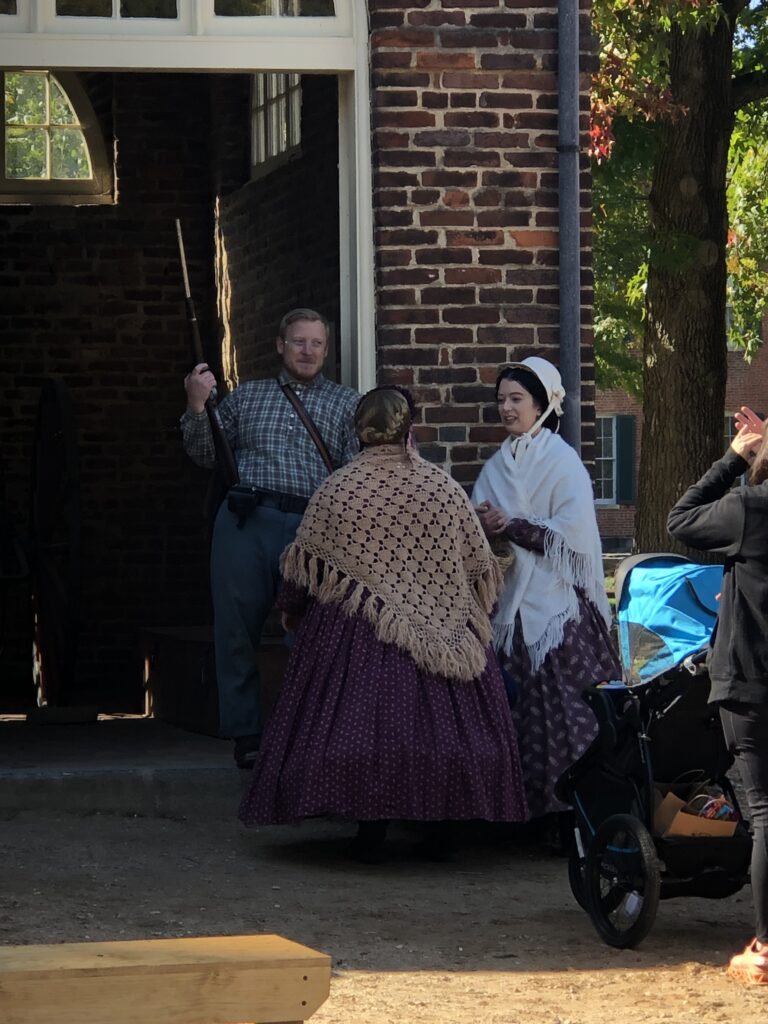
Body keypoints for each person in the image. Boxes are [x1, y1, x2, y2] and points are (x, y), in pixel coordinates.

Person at [239, 386, 528, 862]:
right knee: (442, 735)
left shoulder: (337, 488)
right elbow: (479, 568)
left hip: (358, 630)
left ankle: (369, 833)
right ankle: (443, 835)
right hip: (443, 628)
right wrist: (471, 619)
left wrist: (293, 612)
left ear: (359, 431)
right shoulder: (441, 487)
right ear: (408, 428)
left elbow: (301, 570)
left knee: (363, 731)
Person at [181, 308, 359, 768]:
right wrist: (197, 404)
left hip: (311, 528)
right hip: (246, 520)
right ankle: (245, 733)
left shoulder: (346, 404)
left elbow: (358, 475)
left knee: (313, 631)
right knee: (235, 630)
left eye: (316, 343)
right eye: (298, 341)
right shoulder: (247, 397)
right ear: (281, 345)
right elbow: (204, 455)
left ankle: (304, 731)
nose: (308, 351)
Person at [472, 357, 621, 829]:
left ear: (543, 403)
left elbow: (574, 535)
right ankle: (517, 812)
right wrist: (484, 523)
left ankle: (571, 816)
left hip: (558, 608)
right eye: (501, 400)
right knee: (512, 707)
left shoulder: (563, 461)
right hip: (509, 606)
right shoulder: (497, 465)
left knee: (567, 711)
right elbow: (478, 525)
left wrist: (512, 525)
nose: (507, 408)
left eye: (516, 399)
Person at [668, 405, 768, 986]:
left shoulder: (751, 509)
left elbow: (681, 521)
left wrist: (733, 459)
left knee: (763, 810)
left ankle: (766, 944)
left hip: (751, 680)